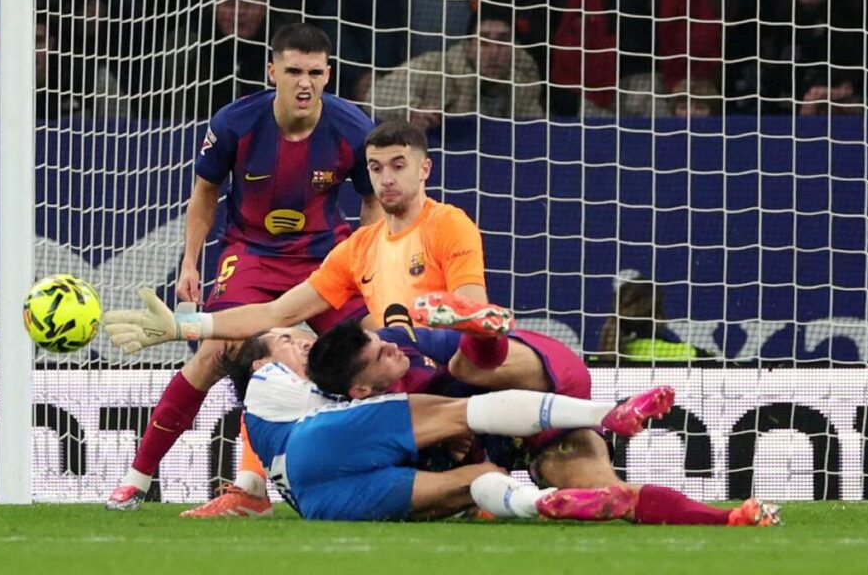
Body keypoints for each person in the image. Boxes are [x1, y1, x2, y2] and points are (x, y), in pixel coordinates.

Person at [105, 22, 380, 511]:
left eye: (315, 72)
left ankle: (431, 479)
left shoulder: (353, 128)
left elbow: (371, 204)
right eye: (293, 70)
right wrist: (191, 262)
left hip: (325, 256)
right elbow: (205, 194)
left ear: (328, 74)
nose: (304, 83)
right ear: (271, 70)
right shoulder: (235, 123)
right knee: (214, 351)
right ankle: (137, 479)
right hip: (252, 253)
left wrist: (367, 264)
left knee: (376, 351)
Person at [297, 295, 779, 526]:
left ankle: (483, 331)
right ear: (358, 390)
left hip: (541, 379)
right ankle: (729, 518)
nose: (391, 349)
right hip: (522, 441)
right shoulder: (355, 425)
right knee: (614, 497)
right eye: (378, 354)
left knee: (471, 366)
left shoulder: (406, 343)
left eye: (382, 340)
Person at [184, 325, 675, 521]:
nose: (304, 341)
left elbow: (256, 473)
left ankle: (543, 503)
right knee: (463, 413)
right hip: (324, 445)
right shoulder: (271, 380)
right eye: (289, 340)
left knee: (475, 483)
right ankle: (607, 413)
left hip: (323, 502)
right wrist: (201, 328)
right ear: (261, 364)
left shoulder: (262, 415)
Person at [103, 120, 489, 353]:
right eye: (375, 167)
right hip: (402, 384)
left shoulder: (448, 224)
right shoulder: (357, 248)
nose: (386, 178)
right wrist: (183, 326)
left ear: (425, 170)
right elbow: (277, 313)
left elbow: (474, 313)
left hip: (452, 372)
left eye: (398, 166)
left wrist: (411, 339)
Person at [362, 6, 543, 131]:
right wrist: (411, 110)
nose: (494, 52)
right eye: (485, 41)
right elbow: (375, 95)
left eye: (503, 41)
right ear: (469, 46)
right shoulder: (434, 67)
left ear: (515, 48)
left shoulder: (525, 82)